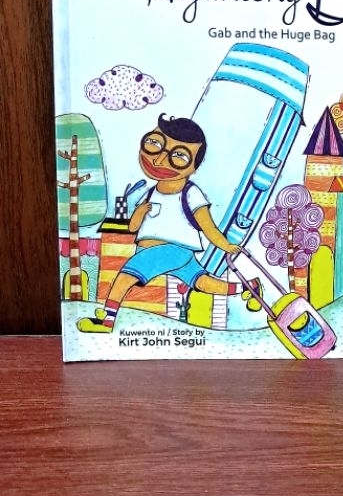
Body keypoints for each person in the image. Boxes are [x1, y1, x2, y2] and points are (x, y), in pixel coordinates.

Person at [78, 114, 261, 333]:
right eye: (154, 143)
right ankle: (249, 287)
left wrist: (226, 246)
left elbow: (208, 226)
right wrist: (139, 211)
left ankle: (106, 321)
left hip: (171, 251)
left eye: (179, 156)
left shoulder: (191, 194)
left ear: (194, 167)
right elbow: (133, 228)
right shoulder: (150, 193)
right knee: (203, 283)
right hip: (168, 255)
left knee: (125, 276)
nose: (159, 160)